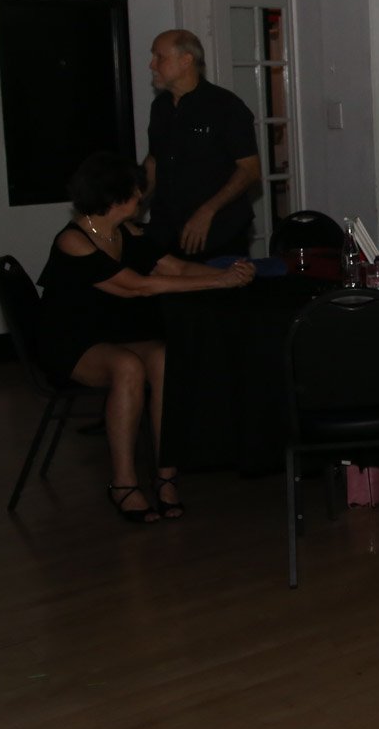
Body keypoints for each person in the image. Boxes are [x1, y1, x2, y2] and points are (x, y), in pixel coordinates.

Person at [38, 152, 253, 522]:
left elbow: (177, 268)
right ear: (115, 197)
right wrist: (218, 281)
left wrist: (234, 273)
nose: (142, 196)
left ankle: (166, 476)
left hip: (115, 337)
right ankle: (123, 484)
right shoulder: (73, 241)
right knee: (127, 367)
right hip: (71, 343)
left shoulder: (128, 232)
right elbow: (136, 287)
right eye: (136, 191)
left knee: (164, 358)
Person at [143, 29, 260, 260]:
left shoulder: (226, 106)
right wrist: (131, 201)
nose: (152, 65)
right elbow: (155, 160)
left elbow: (250, 170)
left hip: (217, 233)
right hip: (166, 231)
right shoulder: (160, 107)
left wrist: (207, 211)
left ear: (186, 60)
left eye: (159, 57)